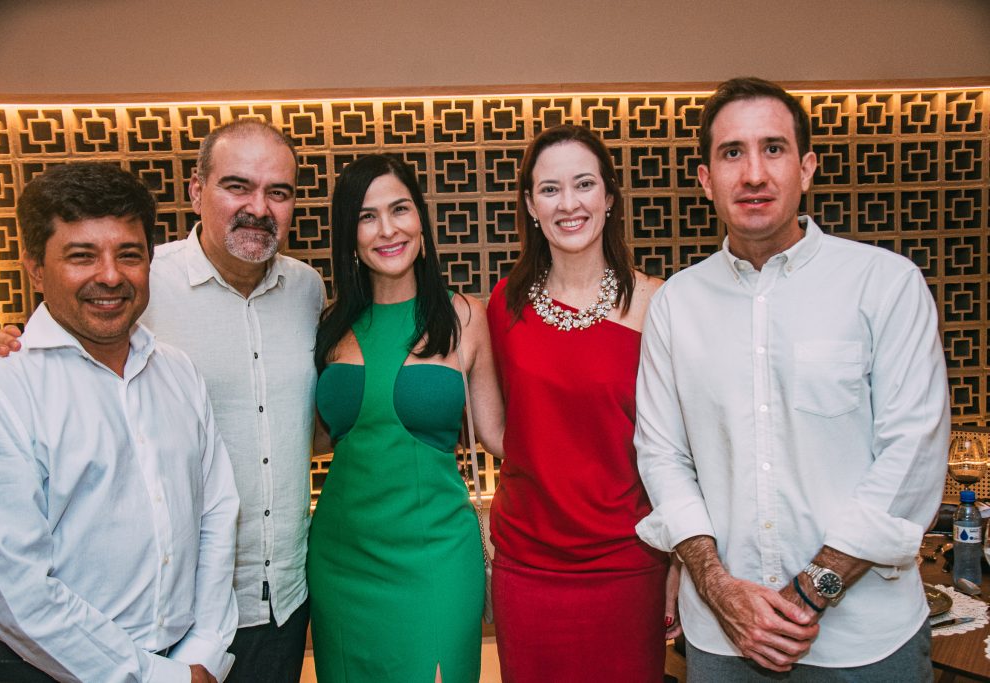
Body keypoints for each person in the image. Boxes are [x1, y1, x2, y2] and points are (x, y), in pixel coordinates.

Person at [0, 120, 325, 682]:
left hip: (273, 599)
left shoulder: (307, 290)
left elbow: (222, 498)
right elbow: (17, 588)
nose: (258, 207)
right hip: (92, 648)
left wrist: (197, 654)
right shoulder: (137, 282)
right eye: (237, 185)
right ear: (195, 191)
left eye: (277, 191)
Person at [635, 76, 950, 681]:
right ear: (705, 179)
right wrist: (718, 587)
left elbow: (912, 456)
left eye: (773, 149)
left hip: (866, 640)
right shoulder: (676, 305)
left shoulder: (885, 285)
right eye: (732, 153)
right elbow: (662, 455)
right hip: (724, 640)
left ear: (806, 168)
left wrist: (810, 592)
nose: (754, 173)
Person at [486, 124, 677, 683]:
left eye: (584, 184)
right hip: (528, 566)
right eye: (549, 189)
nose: (568, 204)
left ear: (610, 197)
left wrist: (682, 563)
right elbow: (502, 429)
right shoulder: (505, 304)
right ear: (530, 205)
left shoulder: (658, 304)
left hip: (629, 564)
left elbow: (681, 449)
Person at [308, 153, 504, 683]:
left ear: (421, 218)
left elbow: (500, 437)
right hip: (342, 562)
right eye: (367, 217)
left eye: (400, 209)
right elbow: (315, 439)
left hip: (438, 557)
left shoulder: (466, 317)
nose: (388, 229)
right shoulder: (329, 325)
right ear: (348, 233)